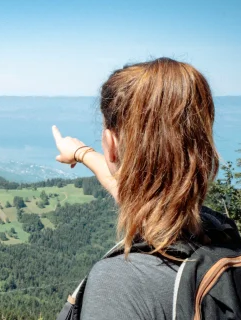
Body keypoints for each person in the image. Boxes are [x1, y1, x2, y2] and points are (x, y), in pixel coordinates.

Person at [52, 57, 221, 319]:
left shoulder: (118, 286)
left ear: (111, 145)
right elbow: (141, 194)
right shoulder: (217, 233)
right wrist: (81, 153)